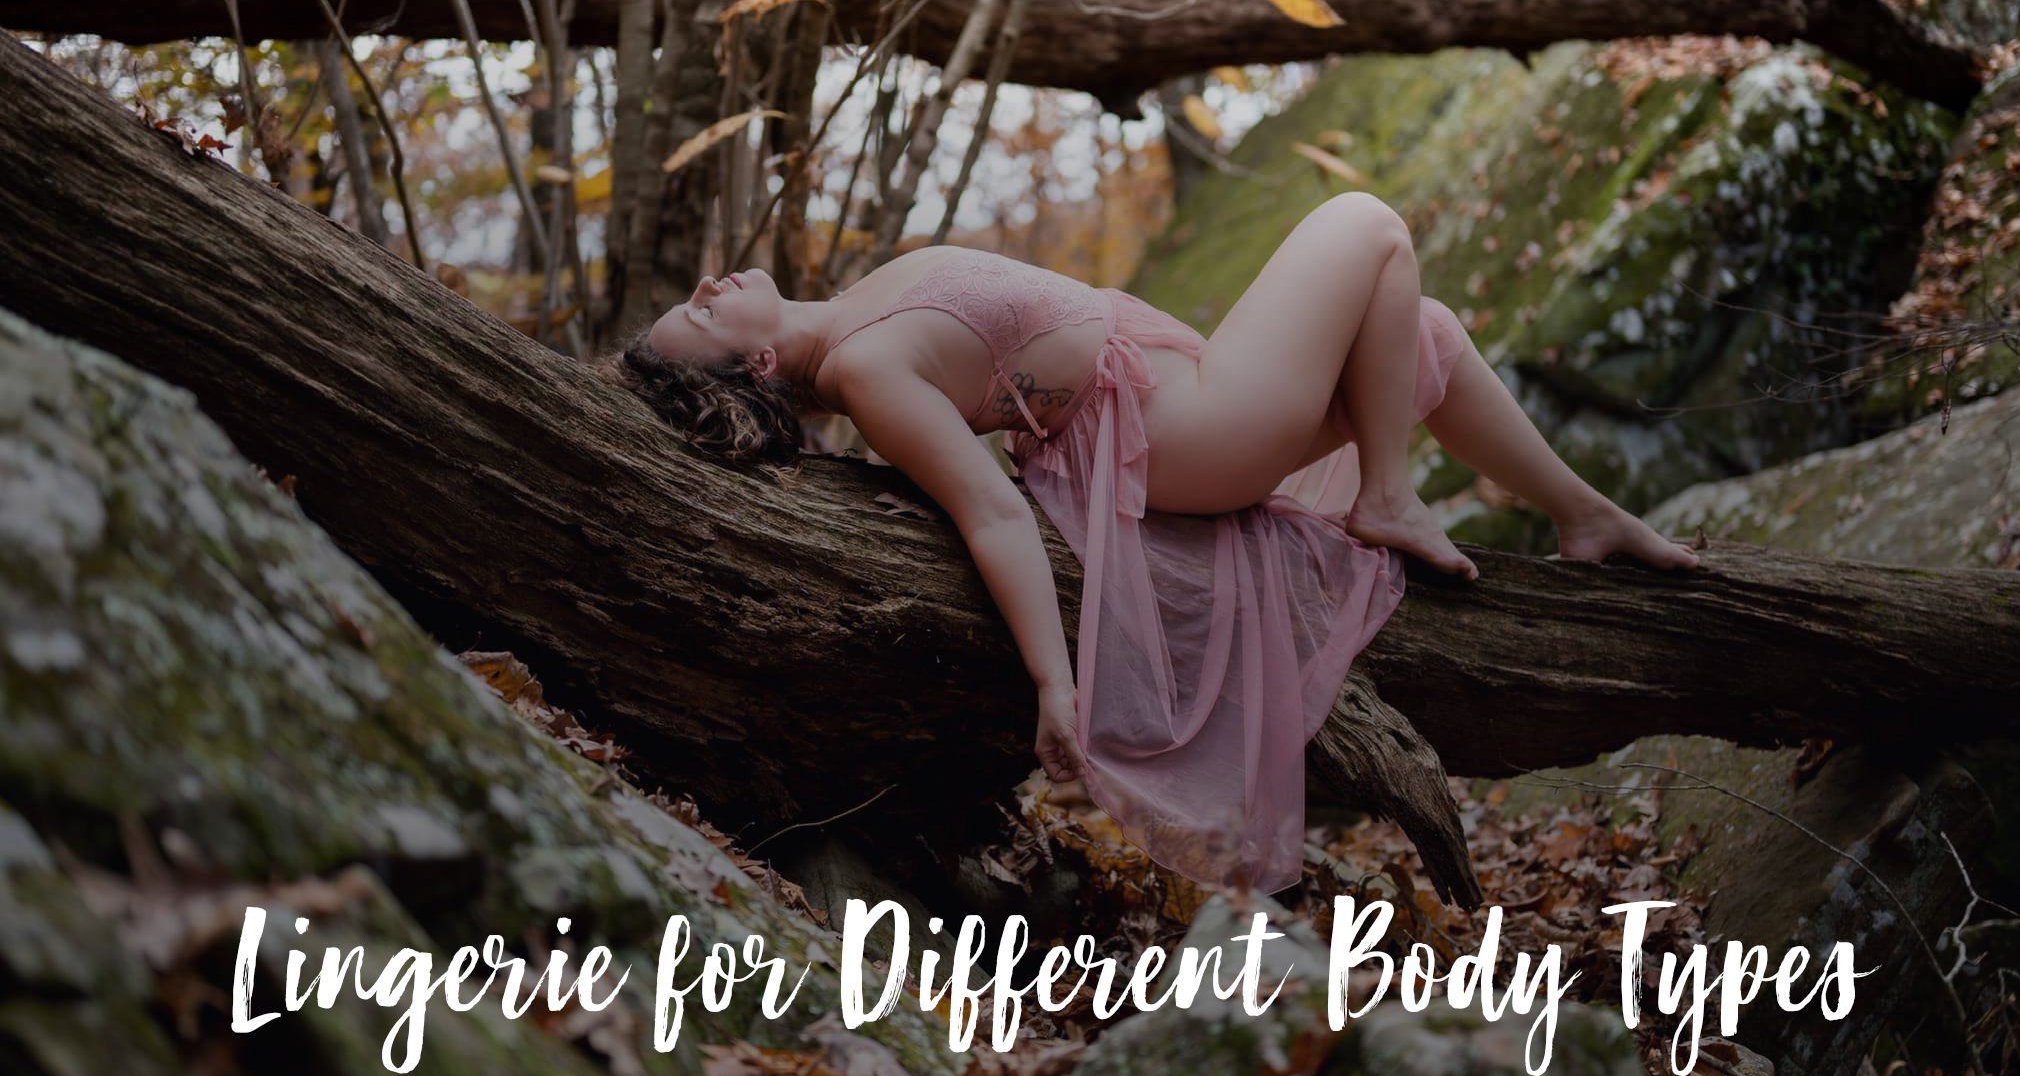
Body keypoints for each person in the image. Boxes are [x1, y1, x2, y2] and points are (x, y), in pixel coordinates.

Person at [615, 192, 1699, 894]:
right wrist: (1055, 681)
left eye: (695, 295)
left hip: (1186, 390)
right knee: (1367, 224)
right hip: (1191, 432)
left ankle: (1581, 515)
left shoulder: (853, 308)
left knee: (1420, 332)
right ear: (757, 371)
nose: (709, 288)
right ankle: (1387, 495)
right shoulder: (865, 373)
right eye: (702, 317)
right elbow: (988, 513)